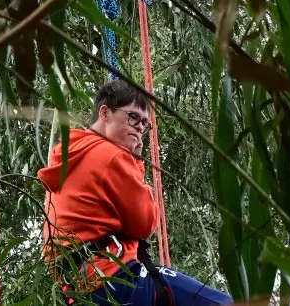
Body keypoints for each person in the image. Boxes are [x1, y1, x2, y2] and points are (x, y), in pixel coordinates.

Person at [37, 79, 234, 306]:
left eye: (144, 124)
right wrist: (136, 161)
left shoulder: (71, 156)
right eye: (133, 117)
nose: (139, 127)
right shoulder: (111, 155)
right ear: (105, 112)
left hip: (77, 291)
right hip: (115, 278)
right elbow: (145, 222)